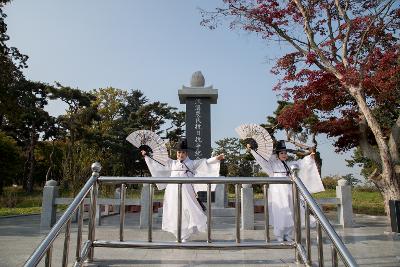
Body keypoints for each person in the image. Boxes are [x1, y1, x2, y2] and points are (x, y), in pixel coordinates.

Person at [141, 139, 224, 242]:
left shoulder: (192, 163)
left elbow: (205, 162)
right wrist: (147, 155)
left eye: (183, 152)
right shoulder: (172, 163)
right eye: (179, 152)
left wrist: (216, 158)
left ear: (187, 153)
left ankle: (185, 235)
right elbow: (158, 160)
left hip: (187, 192)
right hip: (172, 192)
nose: (181, 154)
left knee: (186, 211)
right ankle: (178, 235)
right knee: (174, 211)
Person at [247, 140, 324, 242]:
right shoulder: (271, 164)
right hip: (277, 190)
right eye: (281, 153)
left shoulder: (287, 164)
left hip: (288, 189)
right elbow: (261, 160)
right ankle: (279, 235)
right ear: (277, 154)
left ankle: (288, 234)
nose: (284, 155)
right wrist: (252, 150)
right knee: (280, 211)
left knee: (291, 210)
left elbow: (300, 163)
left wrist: (310, 157)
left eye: (285, 153)